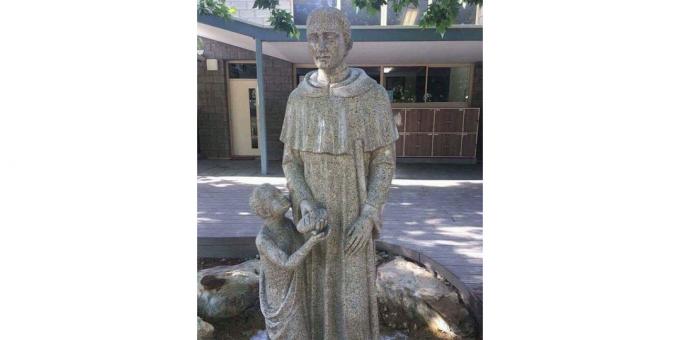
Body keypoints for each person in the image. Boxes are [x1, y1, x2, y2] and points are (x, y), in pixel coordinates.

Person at [280, 7, 399, 340]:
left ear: (347, 42)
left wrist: (369, 214)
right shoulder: (298, 100)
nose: (320, 45)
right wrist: (303, 202)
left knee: (353, 303)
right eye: (313, 38)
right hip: (315, 218)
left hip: (352, 216)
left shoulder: (371, 97)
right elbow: (290, 161)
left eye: (329, 37)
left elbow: (384, 161)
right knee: (314, 294)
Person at [251, 184, 327, 340]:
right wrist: (311, 242)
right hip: (279, 296)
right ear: (265, 211)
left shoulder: (287, 224)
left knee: (301, 327)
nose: (282, 195)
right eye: (274, 196)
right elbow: (287, 263)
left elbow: (298, 244)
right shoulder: (263, 239)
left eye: (279, 192)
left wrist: (311, 229)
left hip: (295, 285)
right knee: (290, 330)